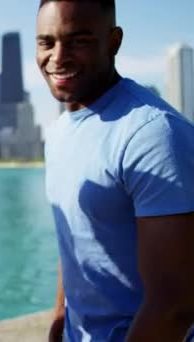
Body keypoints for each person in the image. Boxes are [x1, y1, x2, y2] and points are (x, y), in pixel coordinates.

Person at [36, 0, 194, 341]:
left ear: (114, 41)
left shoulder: (154, 135)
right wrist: (60, 317)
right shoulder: (60, 130)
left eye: (78, 40)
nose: (58, 56)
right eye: (46, 42)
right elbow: (79, 237)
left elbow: (176, 303)